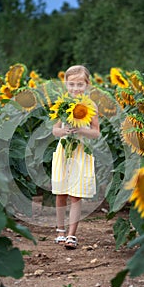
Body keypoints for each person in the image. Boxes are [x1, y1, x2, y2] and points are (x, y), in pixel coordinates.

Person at [51, 65, 100, 249]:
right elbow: (55, 130)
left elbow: (96, 133)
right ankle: (60, 230)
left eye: (80, 84)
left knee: (75, 195)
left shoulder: (90, 106)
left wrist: (81, 130)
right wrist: (63, 130)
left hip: (80, 151)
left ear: (87, 85)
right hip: (64, 151)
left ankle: (72, 235)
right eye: (71, 84)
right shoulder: (62, 104)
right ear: (66, 84)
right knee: (61, 193)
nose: (75, 88)